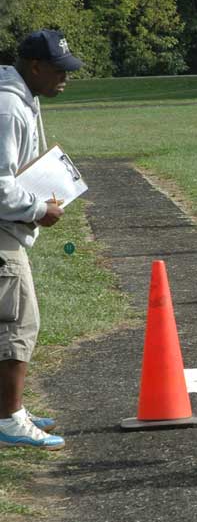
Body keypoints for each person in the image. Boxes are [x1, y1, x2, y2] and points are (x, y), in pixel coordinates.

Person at [0, 29, 82, 450]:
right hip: (2, 232)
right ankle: (9, 419)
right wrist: (39, 209)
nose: (65, 78)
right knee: (18, 323)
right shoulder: (9, 106)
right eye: (58, 70)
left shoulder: (20, 96)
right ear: (35, 67)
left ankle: (8, 410)